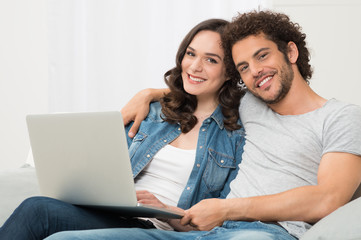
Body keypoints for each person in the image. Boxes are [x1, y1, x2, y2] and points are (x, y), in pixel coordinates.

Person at [43, 10, 361, 240]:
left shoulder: (341, 117)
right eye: (244, 67)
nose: (256, 72)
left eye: (263, 56)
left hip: (263, 232)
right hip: (203, 231)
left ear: (290, 51)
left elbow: (327, 199)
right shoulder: (249, 103)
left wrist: (227, 209)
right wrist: (148, 94)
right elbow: (200, 84)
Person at [0, 19, 246, 240]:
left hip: (160, 227)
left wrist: (169, 212)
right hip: (116, 215)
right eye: (191, 54)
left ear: (229, 72)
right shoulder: (153, 112)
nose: (194, 66)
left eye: (211, 60)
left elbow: (221, 221)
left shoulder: (235, 135)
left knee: (38, 211)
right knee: (38, 206)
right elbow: (107, 166)